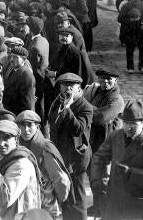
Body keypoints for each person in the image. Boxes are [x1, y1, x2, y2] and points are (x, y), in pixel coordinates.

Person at [90, 99, 143, 220]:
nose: (128, 127)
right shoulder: (115, 136)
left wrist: (131, 173)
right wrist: (97, 181)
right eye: (125, 123)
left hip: (138, 203)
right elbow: (99, 158)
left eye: (133, 124)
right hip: (115, 198)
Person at [47, 73, 92, 220]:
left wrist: (67, 109)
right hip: (61, 154)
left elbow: (78, 129)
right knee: (65, 194)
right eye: (64, 85)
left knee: (77, 197)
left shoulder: (85, 107)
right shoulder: (58, 101)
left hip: (76, 157)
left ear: (79, 88)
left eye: (71, 86)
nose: (67, 89)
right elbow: (51, 120)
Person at [16, 110, 71, 218]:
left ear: (37, 126)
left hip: (46, 205)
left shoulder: (44, 147)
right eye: (22, 125)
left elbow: (61, 179)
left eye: (29, 125)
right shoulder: (18, 145)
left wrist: (56, 200)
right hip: (27, 204)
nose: (26, 130)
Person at [0, 120, 41, 220]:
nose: (1, 143)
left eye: (6, 138)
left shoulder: (21, 164)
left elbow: (5, 199)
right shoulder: (3, 158)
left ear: (16, 139)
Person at [83, 68, 124, 154]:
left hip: (106, 138)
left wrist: (84, 105)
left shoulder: (117, 100)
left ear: (115, 81)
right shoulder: (95, 91)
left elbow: (100, 118)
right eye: (102, 78)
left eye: (109, 79)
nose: (105, 81)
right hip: (92, 135)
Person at [2, 46, 35, 116]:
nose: (11, 59)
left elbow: (28, 102)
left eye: (15, 57)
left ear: (23, 60)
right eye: (11, 56)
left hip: (18, 115)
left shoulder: (26, 75)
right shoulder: (14, 70)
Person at [118, 7, 143, 74]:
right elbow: (123, 33)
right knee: (129, 53)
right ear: (130, 17)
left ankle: (142, 67)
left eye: (137, 18)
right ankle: (130, 68)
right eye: (133, 18)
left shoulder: (142, 21)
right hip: (130, 39)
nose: (135, 19)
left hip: (141, 39)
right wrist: (125, 41)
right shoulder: (125, 22)